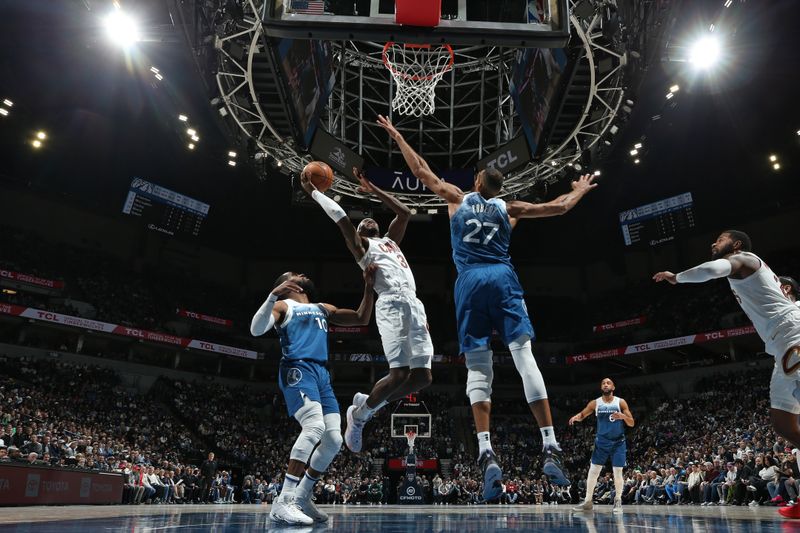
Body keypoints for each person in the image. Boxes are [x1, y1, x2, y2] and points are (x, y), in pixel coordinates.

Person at [376, 114, 597, 500]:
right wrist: (580, 189)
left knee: (479, 366)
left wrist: (397, 136)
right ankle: (550, 444)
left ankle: (485, 451)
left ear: (476, 182)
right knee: (524, 356)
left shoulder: (457, 200)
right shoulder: (508, 209)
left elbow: (422, 171)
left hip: (470, 281)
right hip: (502, 277)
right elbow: (559, 207)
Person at [653, 229, 800, 518]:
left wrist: (676, 277)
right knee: (783, 423)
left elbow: (711, 270)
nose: (712, 242)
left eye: (719, 239)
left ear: (735, 244)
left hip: (792, 337)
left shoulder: (743, 259)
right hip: (779, 347)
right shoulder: (747, 274)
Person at [300, 168, 433, 453]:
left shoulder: (390, 242)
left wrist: (374, 189)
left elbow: (405, 212)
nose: (367, 220)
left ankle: (367, 405)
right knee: (399, 374)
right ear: (359, 233)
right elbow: (342, 219)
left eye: (370, 219)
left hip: (414, 304)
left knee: (423, 377)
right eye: (362, 223)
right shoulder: (362, 247)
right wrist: (314, 193)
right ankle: (359, 417)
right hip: (391, 304)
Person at [250, 267, 376, 524]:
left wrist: (368, 286)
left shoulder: (322, 308)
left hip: (321, 374)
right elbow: (256, 329)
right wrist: (273, 295)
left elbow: (362, 318)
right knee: (314, 427)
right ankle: (282, 501)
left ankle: (301, 498)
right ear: (287, 284)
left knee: (333, 439)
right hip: (298, 369)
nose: (299, 273)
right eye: (291, 273)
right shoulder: (283, 305)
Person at [569, 378, 634, 514]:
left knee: (617, 472)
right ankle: (588, 502)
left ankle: (617, 500)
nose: (605, 384)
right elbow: (583, 414)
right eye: (603, 383)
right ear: (601, 388)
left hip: (618, 443)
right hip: (601, 443)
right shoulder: (595, 403)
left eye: (608, 383)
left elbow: (631, 423)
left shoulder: (620, 402)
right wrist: (576, 417)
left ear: (613, 387)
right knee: (593, 472)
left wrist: (623, 417)